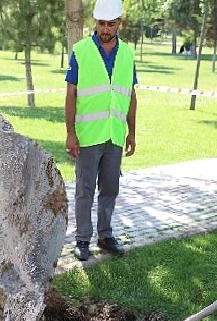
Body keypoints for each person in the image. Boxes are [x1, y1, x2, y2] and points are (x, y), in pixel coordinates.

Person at [64, 0, 138, 261]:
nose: (106, 29)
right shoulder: (81, 51)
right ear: (95, 23)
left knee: (110, 189)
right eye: (102, 24)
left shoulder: (128, 54)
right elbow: (71, 94)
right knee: (84, 190)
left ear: (119, 23)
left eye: (111, 24)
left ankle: (105, 237)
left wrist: (131, 132)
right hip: (87, 135)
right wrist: (71, 133)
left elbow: (131, 95)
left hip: (114, 135)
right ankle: (82, 240)